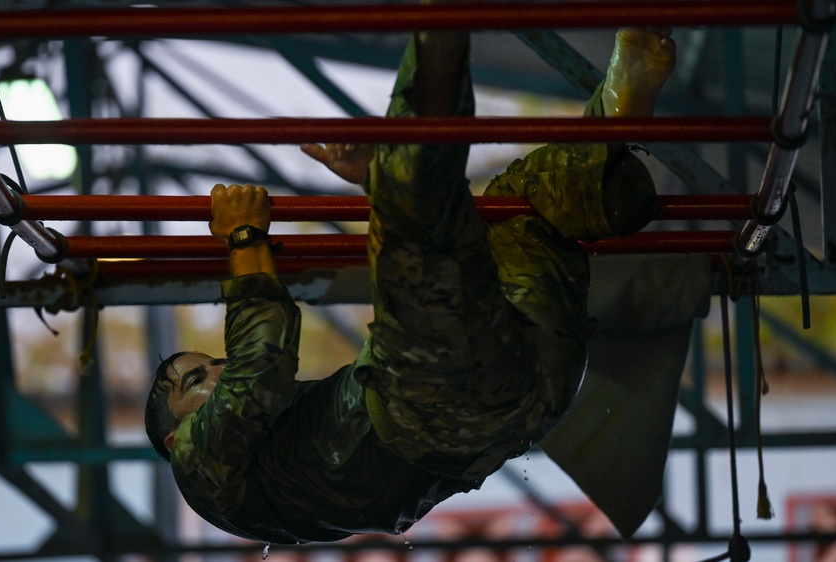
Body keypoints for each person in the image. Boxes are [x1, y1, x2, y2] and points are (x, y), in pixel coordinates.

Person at [144, 15, 676, 544]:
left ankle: (615, 125)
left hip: (524, 392)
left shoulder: (271, 461)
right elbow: (261, 363)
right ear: (172, 439)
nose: (218, 374)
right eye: (194, 383)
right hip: (439, 403)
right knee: (412, 216)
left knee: (517, 203)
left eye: (210, 366)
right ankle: (439, 28)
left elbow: (258, 372)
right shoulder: (197, 465)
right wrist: (243, 238)